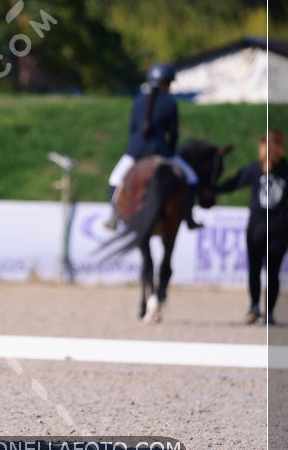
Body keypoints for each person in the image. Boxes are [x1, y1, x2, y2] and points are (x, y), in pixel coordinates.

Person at [104, 62, 202, 230]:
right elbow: (173, 133)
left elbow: (133, 128)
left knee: (114, 180)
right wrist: (171, 151)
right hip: (161, 151)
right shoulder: (170, 103)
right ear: (165, 83)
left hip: (135, 152)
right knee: (192, 178)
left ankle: (114, 217)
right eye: (170, 83)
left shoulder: (137, 101)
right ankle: (189, 217)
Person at [217, 129, 288, 324]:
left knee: (255, 269)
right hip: (279, 229)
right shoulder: (286, 169)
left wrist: (210, 190)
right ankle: (270, 314)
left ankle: (254, 306)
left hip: (257, 227)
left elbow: (232, 184)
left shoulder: (255, 168)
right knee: (272, 273)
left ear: (263, 147)